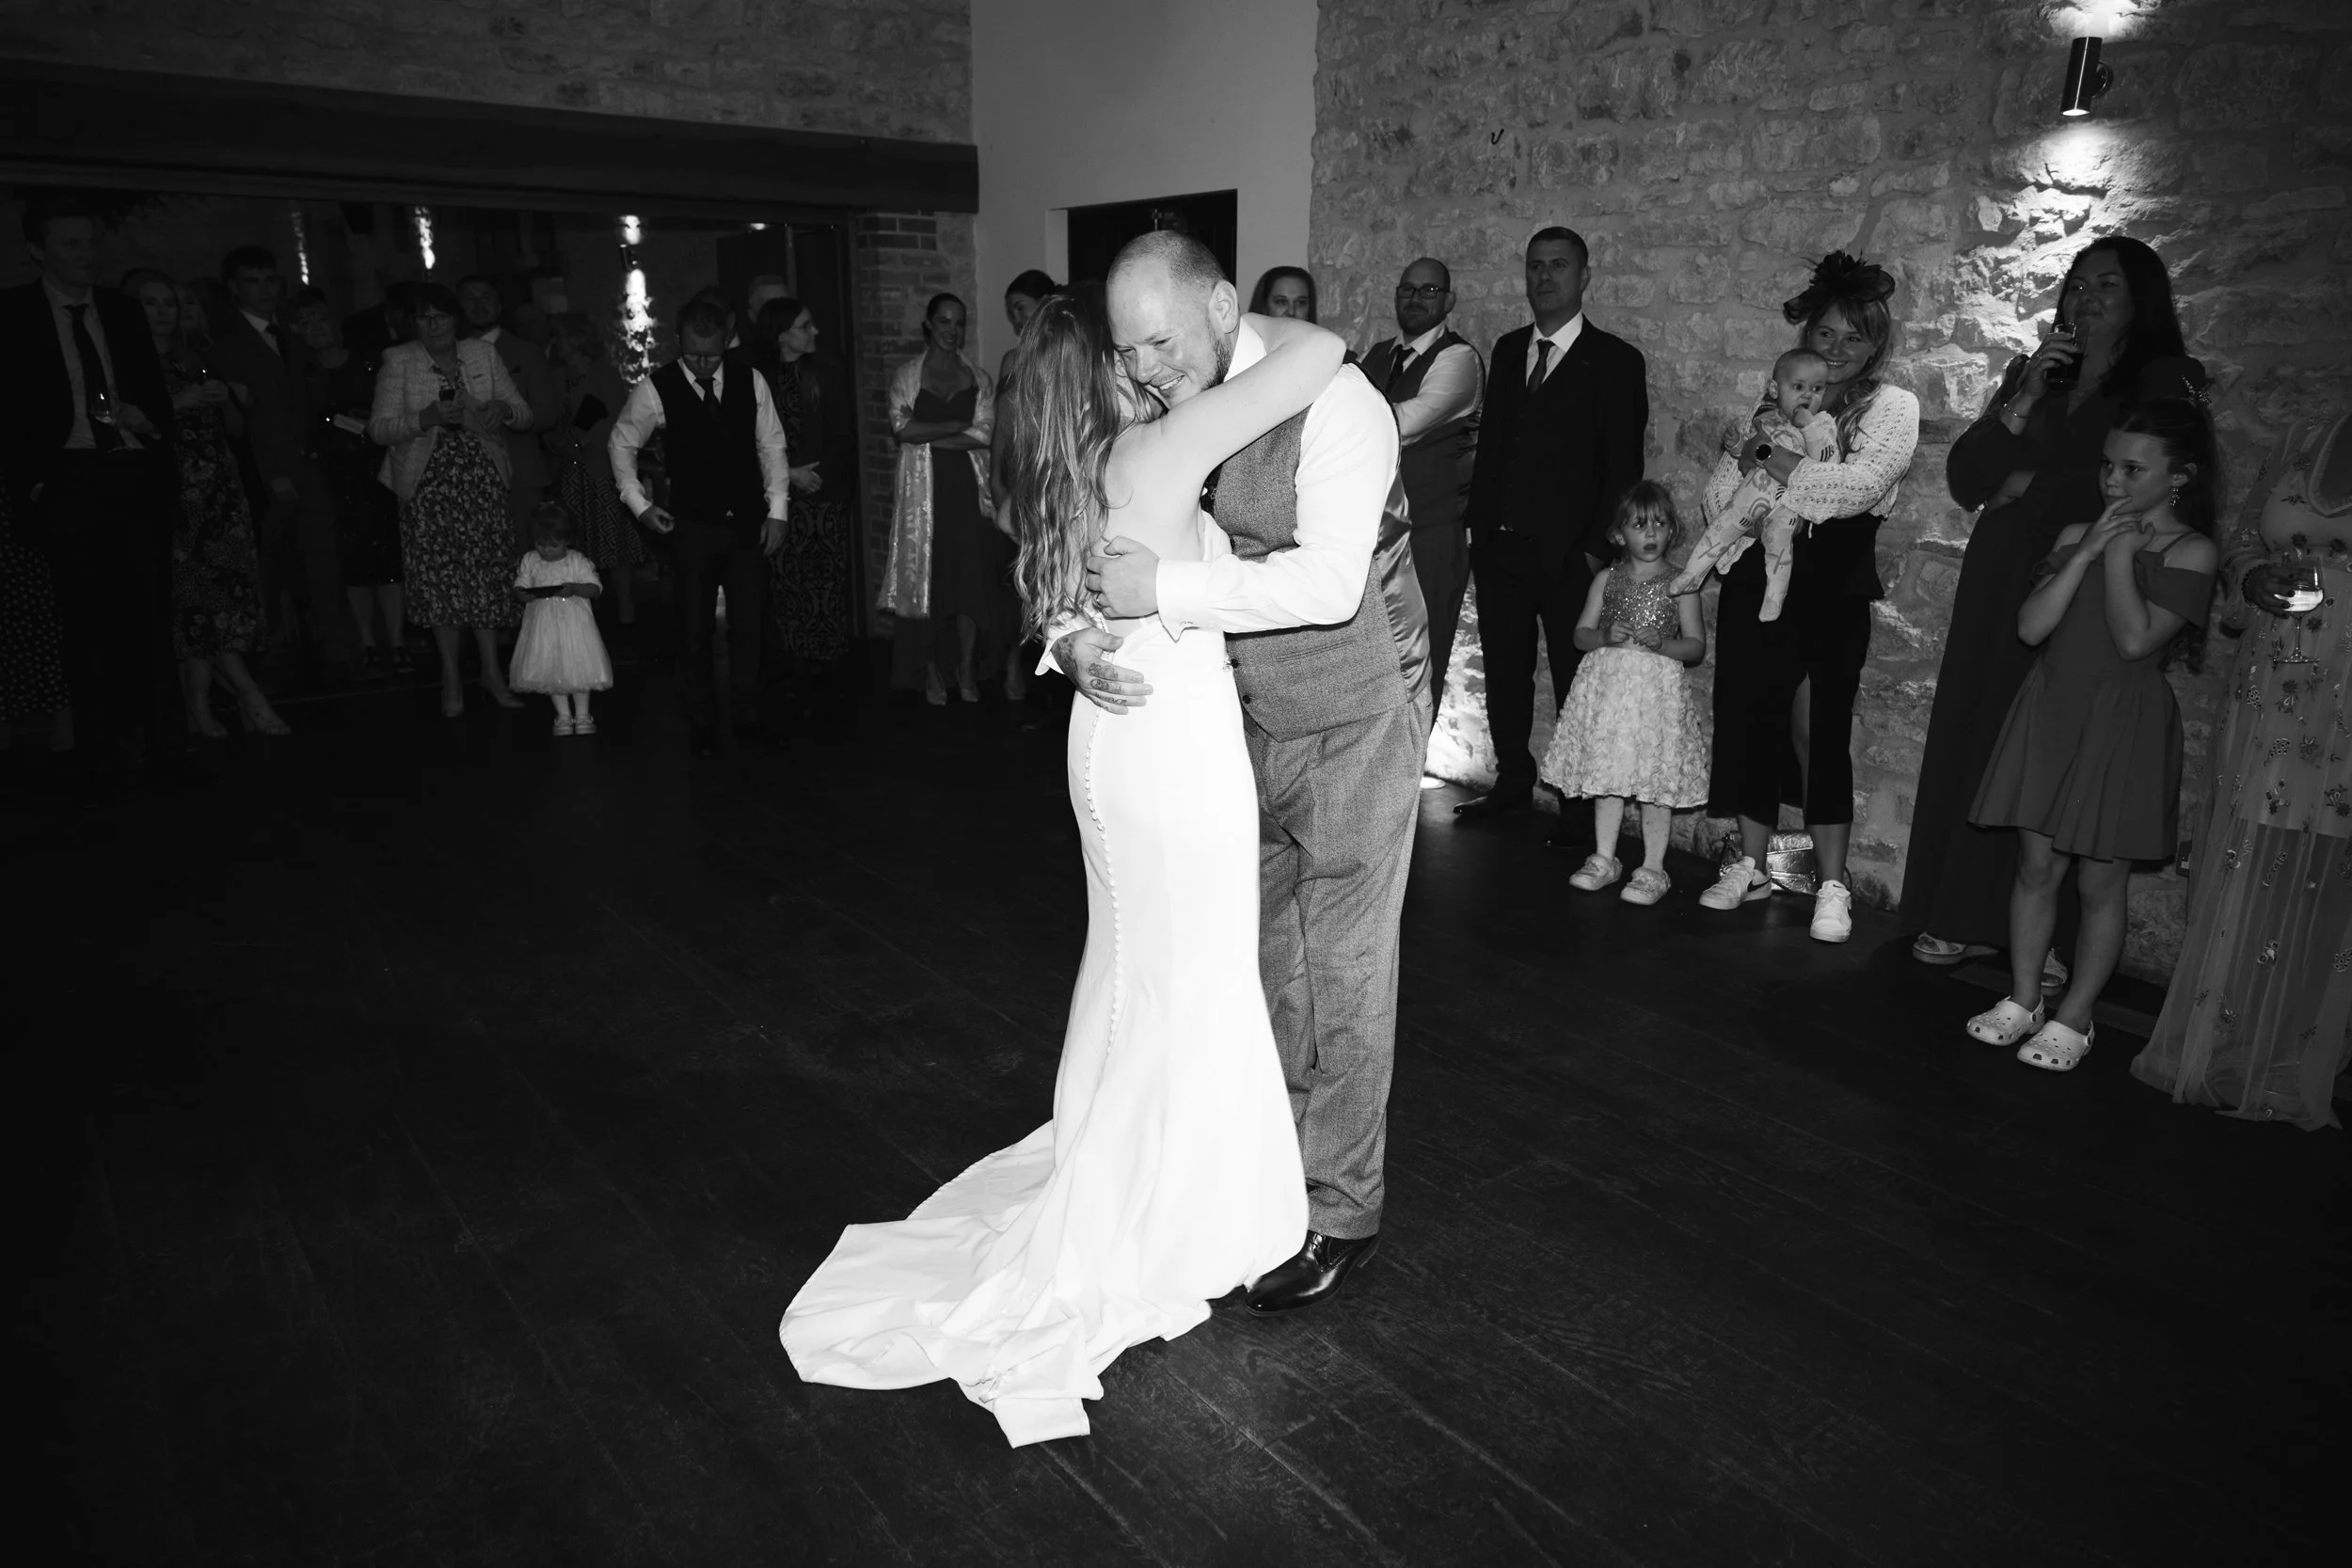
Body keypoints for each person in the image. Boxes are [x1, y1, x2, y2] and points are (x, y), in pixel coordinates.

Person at [783, 280, 1348, 1448]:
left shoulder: (1046, 474)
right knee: (1191, 970)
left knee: (1130, 958)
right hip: (1174, 746)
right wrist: (1223, 323)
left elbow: (1053, 602)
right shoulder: (1155, 445)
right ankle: (1203, 1208)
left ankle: (1113, 1144)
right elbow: (1318, 349)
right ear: (1100, 376)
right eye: (1126, 349)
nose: (1147, 360)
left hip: (1106, 743)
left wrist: (1070, 641)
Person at [1078, 231, 1429, 1317]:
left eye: (1159, 340)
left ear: (1224, 306)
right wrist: (1070, 635)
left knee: (1346, 963)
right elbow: (1101, 545)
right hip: (1227, 727)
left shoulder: (1340, 407)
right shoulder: (1169, 405)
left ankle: (1339, 1209)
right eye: (1126, 348)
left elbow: (1328, 585)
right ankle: (1268, 1169)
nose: (1142, 369)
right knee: (1265, 952)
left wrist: (1165, 593)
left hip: (1354, 710)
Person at [1906, 239, 2203, 988]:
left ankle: (2050, 949)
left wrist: (2027, 484)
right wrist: (2027, 396)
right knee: (1983, 736)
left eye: (2107, 283)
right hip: (2003, 573)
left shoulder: (2161, 379)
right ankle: (1964, 916)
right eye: (2076, 284)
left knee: (2055, 759)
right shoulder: (2031, 373)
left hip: (2093, 574)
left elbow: (2129, 489)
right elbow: (1970, 475)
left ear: (2142, 297)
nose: (2086, 296)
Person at [1966, 402, 2220, 1071]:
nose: (2113, 479)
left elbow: (2137, 639)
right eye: (2108, 464)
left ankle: (2077, 1016)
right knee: (2036, 867)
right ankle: (2024, 998)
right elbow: (2030, 627)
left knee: (2100, 885)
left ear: (2179, 477)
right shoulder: (2080, 530)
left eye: (2133, 468)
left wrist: (2119, 556)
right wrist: (2086, 548)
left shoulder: (2192, 549)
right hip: (2052, 708)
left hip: (2122, 721)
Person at [2133, 410, 2351, 1128]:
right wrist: (2254, 573)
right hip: (2274, 677)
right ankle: (2220, 1041)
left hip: (2346, 693)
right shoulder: (2307, 432)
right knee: (2247, 844)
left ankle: (2293, 1057)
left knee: (2326, 858)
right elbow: (2246, 543)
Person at [1695, 252, 1920, 942]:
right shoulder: (1774, 397)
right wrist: (1755, 462)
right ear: (1808, 333)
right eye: (1828, 333)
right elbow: (1714, 499)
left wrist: (1762, 457)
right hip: (1756, 582)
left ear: (1877, 344)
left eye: (1856, 337)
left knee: (1818, 730)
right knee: (1754, 721)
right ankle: (1752, 864)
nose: (1839, 348)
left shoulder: (1893, 407)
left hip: (1832, 586)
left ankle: (1832, 882)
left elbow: (1848, 492)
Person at [1455, 227, 1649, 840]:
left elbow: (1623, 468)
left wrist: (1595, 552)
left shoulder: (1616, 361)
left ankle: (1577, 803)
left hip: (1572, 559)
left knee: (1575, 680)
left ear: (1584, 276)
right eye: (1535, 266)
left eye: (1559, 266)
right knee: (1507, 674)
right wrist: (1477, 530)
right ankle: (1514, 777)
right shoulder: (1510, 350)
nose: (1545, 277)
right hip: (1501, 550)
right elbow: (1491, 450)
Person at [0, 197, 175, 781]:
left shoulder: (121, 312)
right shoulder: (15, 314)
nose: (85, 254)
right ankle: (98, 756)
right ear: (37, 252)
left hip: (130, 470)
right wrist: (37, 486)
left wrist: (146, 419)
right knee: (87, 624)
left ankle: (164, 747)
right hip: (70, 477)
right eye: (71, 244)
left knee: (149, 615)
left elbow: (154, 395)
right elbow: (10, 412)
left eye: (90, 243)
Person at [609, 295, 790, 754]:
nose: (705, 364)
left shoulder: (752, 381)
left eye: (712, 354)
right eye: (694, 355)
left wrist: (778, 511)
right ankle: (701, 720)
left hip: (748, 523)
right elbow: (621, 443)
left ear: (727, 340)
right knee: (692, 629)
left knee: (751, 625)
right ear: (679, 341)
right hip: (690, 526)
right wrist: (639, 503)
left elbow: (772, 447)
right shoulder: (656, 388)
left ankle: (748, 713)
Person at [124, 269, 286, 737]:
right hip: (169, 492)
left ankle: (200, 703)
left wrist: (224, 397)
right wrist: (181, 401)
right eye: (151, 303)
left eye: (169, 303)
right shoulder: (127, 363)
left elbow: (235, 430)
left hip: (217, 490)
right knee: (197, 600)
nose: (162, 312)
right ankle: (247, 696)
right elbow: (120, 421)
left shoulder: (195, 357)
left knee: (222, 598)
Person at [369, 281, 532, 717]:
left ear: (455, 319)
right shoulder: (398, 361)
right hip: (428, 487)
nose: (435, 324)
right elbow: (379, 429)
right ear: (413, 324)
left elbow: (524, 413)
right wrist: (424, 419)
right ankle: (451, 678)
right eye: (425, 317)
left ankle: (493, 675)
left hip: (481, 480)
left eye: (441, 315)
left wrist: (502, 409)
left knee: (486, 581)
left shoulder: (481, 354)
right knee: (440, 585)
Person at [1542, 481, 1709, 904]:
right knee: (1609, 774)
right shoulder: (1606, 578)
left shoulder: (1681, 584)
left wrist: (1664, 644)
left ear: (1672, 530)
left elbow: (1695, 646)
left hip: (1655, 694)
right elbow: (1579, 635)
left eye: (1659, 524)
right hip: (1612, 690)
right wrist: (1604, 635)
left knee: (1655, 777)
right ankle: (1604, 857)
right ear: (1619, 534)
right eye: (1639, 525)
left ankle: (1653, 868)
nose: (1650, 534)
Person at [209, 245, 354, 673]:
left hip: (307, 462)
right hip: (265, 470)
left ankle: (338, 651)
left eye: (270, 280)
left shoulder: (287, 335)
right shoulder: (227, 340)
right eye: (254, 281)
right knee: (267, 566)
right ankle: (268, 655)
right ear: (235, 288)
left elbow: (302, 401)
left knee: (323, 561)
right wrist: (270, 471)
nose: (265, 290)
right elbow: (243, 420)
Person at [1359, 257, 1483, 698]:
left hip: (1427, 537)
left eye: (1429, 291)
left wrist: (1339, 417)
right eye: (1407, 289)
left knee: (1417, 668)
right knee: (1367, 670)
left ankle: (1411, 766)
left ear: (1448, 300)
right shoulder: (1376, 355)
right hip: (1368, 536)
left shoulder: (1458, 359)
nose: (1416, 298)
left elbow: (1404, 423)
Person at [879, 293, 1009, 705]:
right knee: (931, 583)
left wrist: (930, 431)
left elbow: (984, 433)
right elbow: (902, 429)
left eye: (959, 323)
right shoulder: (907, 375)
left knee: (970, 581)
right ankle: (931, 666)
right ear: (930, 325)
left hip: (969, 492)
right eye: (945, 322)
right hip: (925, 494)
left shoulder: (979, 377)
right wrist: (956, 423)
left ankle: (967, 665)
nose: (952, 331)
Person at [1670, 348, 1838, 620]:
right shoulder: (1766, 419)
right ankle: (1692, 572)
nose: (1808, 395)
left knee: (1779, 547)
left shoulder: (1823, 425)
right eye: (1798, 387)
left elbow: (1827, 463)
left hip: (1787, 503)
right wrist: (1736, 444)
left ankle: (1774, 597)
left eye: (1817, 389)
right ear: (1775, 389)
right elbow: (1748, 453)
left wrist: (1809, 427)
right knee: (1721, 527)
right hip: (1750, 494)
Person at [294, 285, 408, 680]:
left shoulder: (367, 364)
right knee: (354, 563)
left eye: (321, 319)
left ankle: (397, 642)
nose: (317, 328)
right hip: (331, 477)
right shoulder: (300, 373)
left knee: (389, 558)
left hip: (376, 470)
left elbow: (390, 411)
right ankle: (368, 644)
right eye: (306, 323)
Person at [751, 296, 856, 724]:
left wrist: (818, 475)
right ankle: (793, 671)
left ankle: (828, 676)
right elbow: (754, 439)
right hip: (780, 497)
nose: (813, 332)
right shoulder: (759, 378)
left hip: (824, 496)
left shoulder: (827, 372)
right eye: (803, 326)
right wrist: (788, 474)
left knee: (827, 586)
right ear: (780, 333)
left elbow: (843, 436)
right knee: (788, 585)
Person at [544, 311, 641, 627]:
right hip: (570, 472)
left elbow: (618, 420)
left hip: (600, 468)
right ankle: (586, 607)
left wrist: (585, 442)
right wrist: (559, 443)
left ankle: (626, 607)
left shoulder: (603, 374)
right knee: (578, 540)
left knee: (613, 540)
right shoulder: (558, 376)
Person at [456, 275, 564, 549]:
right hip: (466, 478)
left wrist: (507, 413)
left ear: (499, 305)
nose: (479, 305)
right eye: (470, 299)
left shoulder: (526, 353)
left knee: (524, 560)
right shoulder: (450, 354)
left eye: (486, 298)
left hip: (519, 476)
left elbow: (547, 412)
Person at [508, 501, 611, 736]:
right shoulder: (531, 560)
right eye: (540, 543)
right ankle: (563, 716)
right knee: (551, 670)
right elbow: (521, 583)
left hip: (575, 628)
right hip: (543, 630)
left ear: (567, 539)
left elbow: (595, 588)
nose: (546, 550)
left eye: (553, 544)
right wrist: (521, 593)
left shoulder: (576, 561)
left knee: (579, 669)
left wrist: (574, 588)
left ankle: (583, 714)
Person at [1248, 266, 1317, 322]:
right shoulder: (1244, 339)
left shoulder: (1324, 338)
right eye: (1281, 302)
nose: (1291, 312)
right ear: (1264, 307)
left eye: (1300, 303)